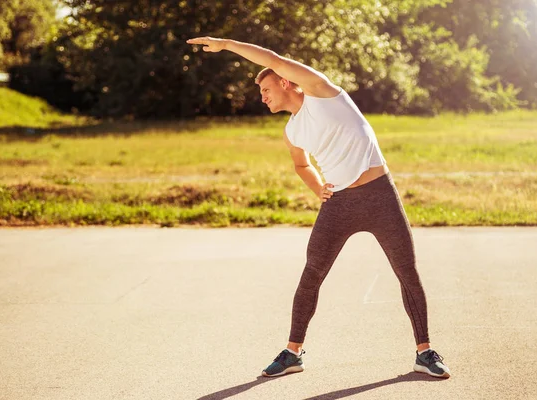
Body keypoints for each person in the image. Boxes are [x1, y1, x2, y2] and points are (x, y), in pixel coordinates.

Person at [187, 37, 451, 379]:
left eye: (266, 88)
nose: (262, 97)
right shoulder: (292, 131)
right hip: (339, 203)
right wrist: (319, 190)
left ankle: (424, 352)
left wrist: (224, 44)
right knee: (312, 274)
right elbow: (302, 165)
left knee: (407, 272)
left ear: (285, 82)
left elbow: (272, 57)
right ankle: (293, 353)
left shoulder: (323, 93)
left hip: (380, 196)